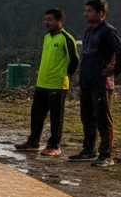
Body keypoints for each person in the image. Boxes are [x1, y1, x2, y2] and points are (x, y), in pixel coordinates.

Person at [13, 9, 78, 157]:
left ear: (59, 21)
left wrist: (64, 75)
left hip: (57, 85)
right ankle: (33, 142)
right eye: (45, 19)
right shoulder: (47, 37)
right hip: (42, 83)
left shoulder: (66, 38)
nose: (46, 23)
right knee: (36, 114)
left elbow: (74, 61)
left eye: (50, 20)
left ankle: (54, 145)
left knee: (56, 117)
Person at [69, 0, 121, 167]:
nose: (85, 14)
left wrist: (112, 70)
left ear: (100, 13)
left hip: (101, 83)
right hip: (86, 82)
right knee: (87, 118)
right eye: (85, 11)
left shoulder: (108, 31)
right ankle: (88, 150)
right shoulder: (88, 31)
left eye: (89, 11)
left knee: (102, 118)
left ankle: (106, 155)